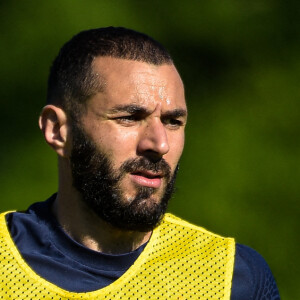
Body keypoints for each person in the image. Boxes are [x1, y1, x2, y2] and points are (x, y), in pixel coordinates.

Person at [0, 27, 280, 299]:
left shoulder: (232, 279)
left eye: (173, 122)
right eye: (129, 117)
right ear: (58, 130)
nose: (159, 144)